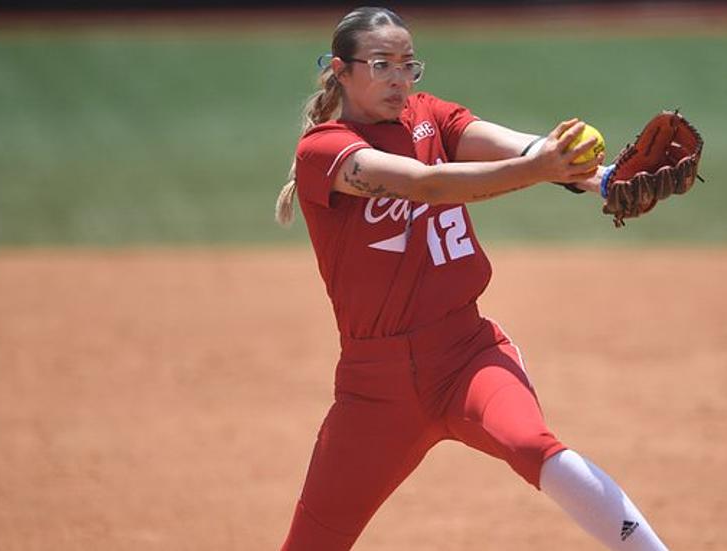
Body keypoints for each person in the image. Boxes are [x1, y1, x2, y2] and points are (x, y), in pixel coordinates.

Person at [274, 7, 669, 551]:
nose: (399, 79)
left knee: (532, 445)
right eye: (381, 64)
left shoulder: (429, 117)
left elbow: (520, 146)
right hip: (375, 389)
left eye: (408, 65)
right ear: (340, 71)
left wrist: (599, 180)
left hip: (467, 355)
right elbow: (425, 185)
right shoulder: (323, 149)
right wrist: (541, 171)